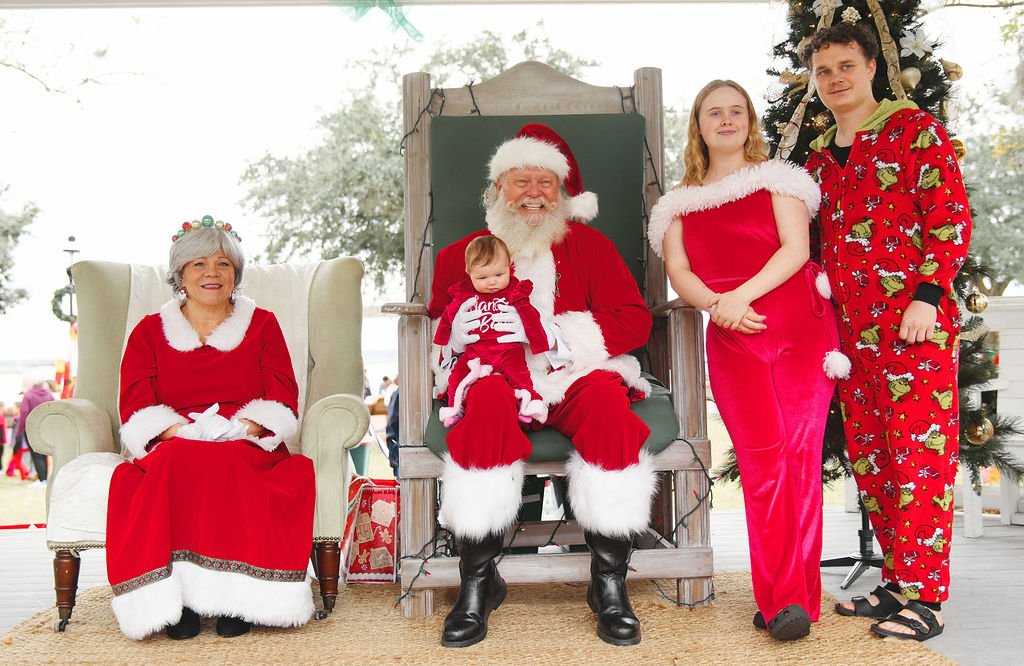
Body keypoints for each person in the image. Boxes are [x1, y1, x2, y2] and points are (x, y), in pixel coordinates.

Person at [428, 123, 654, 648]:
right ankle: (478, 581)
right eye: (521, 180)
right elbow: (441, 330)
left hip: (571, 376)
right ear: (498, 189)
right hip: (498, 376)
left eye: (545, 182)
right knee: (484, 404)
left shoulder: (591, 247)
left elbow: (634, 319)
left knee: (608, 407)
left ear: (562, 192)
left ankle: (609, 583)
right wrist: (463, 335)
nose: (534, 193)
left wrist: (559, 334)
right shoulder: (460, 255)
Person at [649, 80, 848, 641]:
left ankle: (791, 599)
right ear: (699, 125)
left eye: (737, 111)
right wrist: (720, 306)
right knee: (762, 464)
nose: (727, 119)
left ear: (750, 121)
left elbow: (796, 250)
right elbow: (680, 273)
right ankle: (784, 596)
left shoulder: (778, 179)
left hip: (800, 330)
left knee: (799, 460)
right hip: (734, 338)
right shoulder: (678, 204)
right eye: (715, 112)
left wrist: (739, 297)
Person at [801, 23, 972, 642]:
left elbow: (950, 216)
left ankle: (928, 601)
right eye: (824, 71)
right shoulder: (819, 160)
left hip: (913, 329)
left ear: (871, 67)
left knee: (919, 462)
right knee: (875, 464)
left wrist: (929, 294)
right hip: (851, 342)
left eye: (845, 66)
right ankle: (899, 582)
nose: (835, 79)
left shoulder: (912, 131)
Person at [106, 216, 315, 640]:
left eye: (222, 264)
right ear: (180, 274)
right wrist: (179, 432)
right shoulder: (149, 331)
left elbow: (281, 393)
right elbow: (137, 401)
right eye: (199, 264)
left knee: (232, 461)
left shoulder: (263, 324)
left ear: (235, 273)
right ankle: (179, 602)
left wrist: (242, 427)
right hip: (175, 438)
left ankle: (237, 601)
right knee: (176, 461)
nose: (212, 273)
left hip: (244, 438)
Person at [433, 235, 549, 427]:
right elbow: (448, 317)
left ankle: (530, 404)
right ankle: (454, 408)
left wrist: (537, 341)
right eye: (482, 277)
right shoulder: (465, 294)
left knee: (521, 376)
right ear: (469, 272)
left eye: (499, 275)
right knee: (456, 376)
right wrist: (448, 340)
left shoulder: (514, 291)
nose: (492, 282)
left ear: (509, 267)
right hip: (477, 351)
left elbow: (530, 316)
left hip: (508, 350)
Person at [17, 377, 55, 483]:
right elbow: (54, 409)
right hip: (46, 428)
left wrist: (20, 430)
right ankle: (44, 478)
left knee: (35, 454)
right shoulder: (49, 395)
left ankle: (42, 479)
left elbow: (24, 413)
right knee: (44, 453)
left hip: (31, 429)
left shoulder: (28, 395)